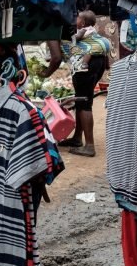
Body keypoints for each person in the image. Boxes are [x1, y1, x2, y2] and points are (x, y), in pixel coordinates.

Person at [41, 13, 111, 158]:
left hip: (85, 65)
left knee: (84, 102)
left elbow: (56, 58)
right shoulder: (68, 20)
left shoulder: (52, 26)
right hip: (98, 61)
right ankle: (77, 138)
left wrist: (46, 74)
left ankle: (90, 146)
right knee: (82, 99)